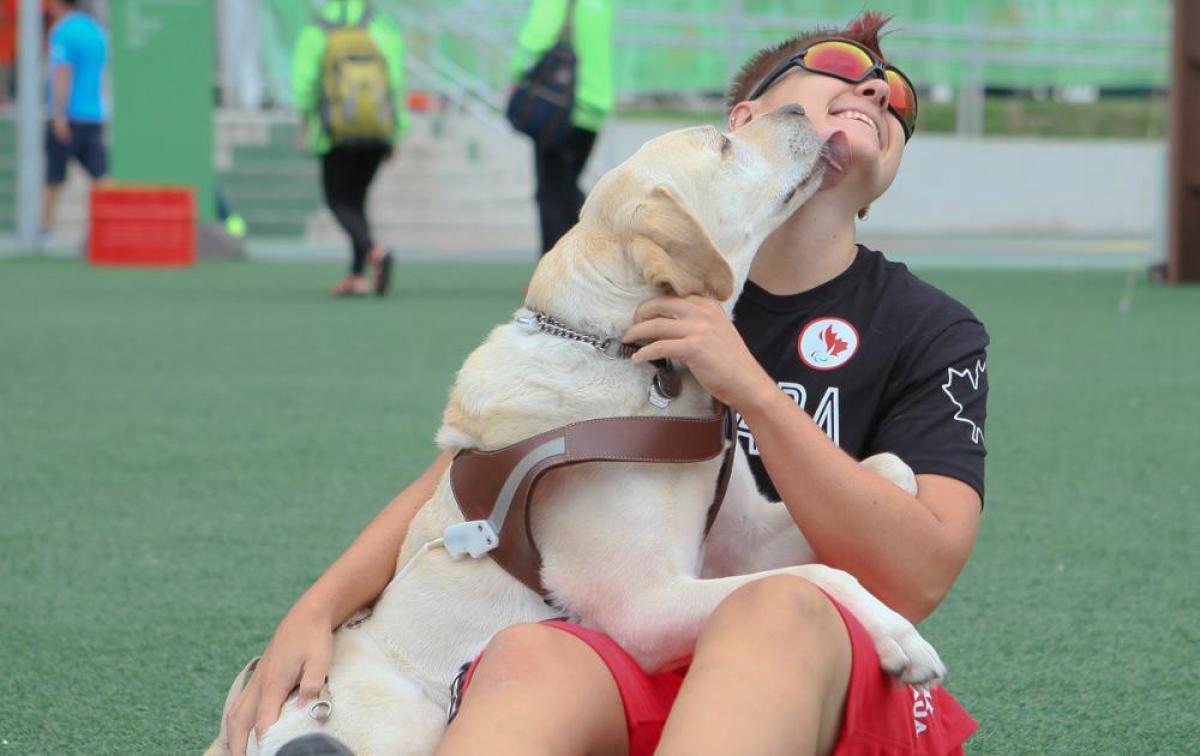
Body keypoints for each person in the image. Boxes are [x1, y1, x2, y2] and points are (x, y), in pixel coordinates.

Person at [226, 12, 988, 756]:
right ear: (746, 118)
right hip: (612, 656)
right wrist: (319, 608)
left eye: (898, 100)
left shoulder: (932, 330)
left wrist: (749, 387)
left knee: (776, 608)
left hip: (800, 661)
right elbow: (473, 479)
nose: (879, 91)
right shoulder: (624, 295)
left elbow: (916, 579)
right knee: (530, 654)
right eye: (842, 69)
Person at [292, 0, 408, 297]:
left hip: (335, 131)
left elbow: (305, 82)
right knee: (357, 201)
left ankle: (374, 251)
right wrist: (397, 130)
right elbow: (395, 80)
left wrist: (306, 120)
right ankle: (357, 274)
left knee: (339, 201)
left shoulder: (318, 27)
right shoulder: (380, 24)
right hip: (376, 129)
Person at [511, 0, 613, 256]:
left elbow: (536, 38)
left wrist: (515, 74)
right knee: (566, 191)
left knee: (550, 194)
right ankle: (589, 260)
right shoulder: (600, 5)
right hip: (594, 108)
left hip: (560, 108)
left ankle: (555, 272)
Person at [41, 0, 108, 243]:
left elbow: (63, 74)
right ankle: (103, 229)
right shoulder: (97, 31)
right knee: (100, 177)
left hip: (69, 116)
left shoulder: (63, 32)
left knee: (52, 178)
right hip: (94, 115)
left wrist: (59, 113)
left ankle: (44, 230)